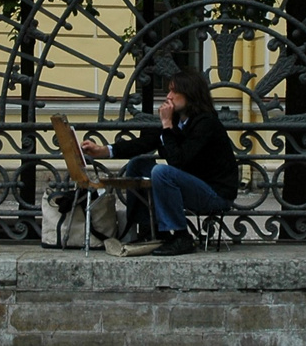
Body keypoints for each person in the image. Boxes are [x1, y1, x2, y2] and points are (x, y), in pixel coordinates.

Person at [80, 67, 238, 257]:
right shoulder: (177, 120)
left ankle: (181, 236)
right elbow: (142, 144)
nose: (168, 96)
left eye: (174, 91)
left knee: (162, 172)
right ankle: (149, 231)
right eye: (168, 91)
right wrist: (103, 150)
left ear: (190, 94)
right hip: (193, 185)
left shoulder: (206, 123)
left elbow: (178, 162)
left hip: (215, 193)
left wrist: (167, 127)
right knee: (137, 165)